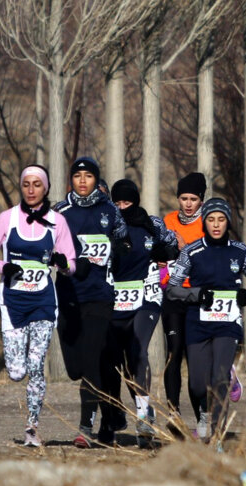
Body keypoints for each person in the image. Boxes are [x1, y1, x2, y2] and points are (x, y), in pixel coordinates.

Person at [0, 164, 76, 447]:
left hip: (44, 302)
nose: (31, 190)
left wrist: (63, 265)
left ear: (46, 188)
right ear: (21, 187)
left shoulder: (58, 222)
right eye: (26, 184)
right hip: (12, 303)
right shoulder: (6, 219)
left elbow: (73, 265)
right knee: (17, 371)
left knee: (36, 365)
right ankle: (29, 417)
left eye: (37, 184)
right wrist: (2, 266)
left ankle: (32, 427)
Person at [165, 197, 246, 445]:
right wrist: (196, 294)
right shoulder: (192, 251)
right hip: (197, 322)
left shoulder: (239, 251)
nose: (216, 225)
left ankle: (218, 435)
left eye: (221, 219)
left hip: (228, 323)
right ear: (204, 222)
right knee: (199, 384)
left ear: (228, 222)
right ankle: (203, 413)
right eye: (211, 219)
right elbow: (172, 288)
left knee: (219, 378)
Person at [54, 156, 130, 447]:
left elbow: (124, 242)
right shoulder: (60, 212)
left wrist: (115, 249)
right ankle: (111, 408)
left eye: (88, 176)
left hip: (100, 296)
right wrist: (62, 260)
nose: (82, 181)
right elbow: (46, 247)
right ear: (71, 180)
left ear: (97, 181)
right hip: (68, 295)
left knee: (90, 361)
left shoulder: (109, 210)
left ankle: (86, 426)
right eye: (77, 176)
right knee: (75, 368)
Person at [108, 178, 178, 447]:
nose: (122, 207)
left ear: (135, 201)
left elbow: (174, 247)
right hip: (118, 297)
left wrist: (165, 251)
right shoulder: (109, 225)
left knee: (138, 350)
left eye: (127, 202)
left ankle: (143, 417)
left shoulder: (153, 223)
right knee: (124, 362)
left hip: (147, 295)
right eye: (117, 202)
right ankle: (144, 410)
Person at [162, 172, 207, 431]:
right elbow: (159, 251)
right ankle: (174, 414)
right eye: (183, 198)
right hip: (173, 295)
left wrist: (184, 249)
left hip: (198, 298)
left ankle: (203, 415)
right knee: (173, 352)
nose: (188, 203)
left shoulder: (208, 223)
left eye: (193, 199)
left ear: (201, 200)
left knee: (195, 359)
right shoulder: (168, 221)